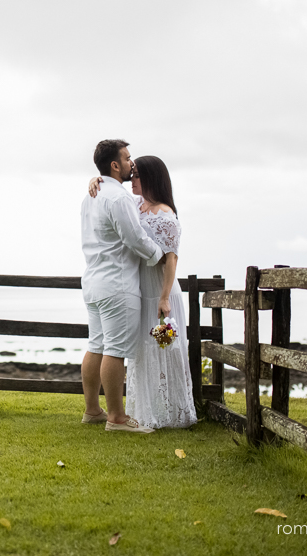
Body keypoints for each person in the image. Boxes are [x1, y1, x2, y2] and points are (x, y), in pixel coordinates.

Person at [88, 155, 197, 429]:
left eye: (136, 176)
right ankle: (146, 411)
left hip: (161, 293)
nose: (131, 180)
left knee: (164, 348)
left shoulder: (165, 214)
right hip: (139, 289)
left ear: (150, 179)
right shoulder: (134, 205)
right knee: (142, 353)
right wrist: (95, 180)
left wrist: (163, 298)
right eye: (131, 174)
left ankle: (171, 413)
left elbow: (171, 259)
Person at [80, 139, 165, 434]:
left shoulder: (91, 195)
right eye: (128, 159)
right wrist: (160, 257)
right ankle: (116, 417)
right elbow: (134, 238)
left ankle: (93, 410)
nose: (132, 164)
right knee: (114, 350)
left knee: (96, 345)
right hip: (117, 284)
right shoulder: (117, 198)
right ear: (115, 165)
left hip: (93, 281)